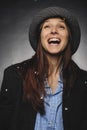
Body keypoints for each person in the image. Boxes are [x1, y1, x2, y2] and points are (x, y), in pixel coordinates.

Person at [0, 6, 87, 130]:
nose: (54, 31)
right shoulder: (14, 75)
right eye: (47, 26)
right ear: (39, 37)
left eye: (61, 26)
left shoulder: (83, 81)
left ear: (69, 37)